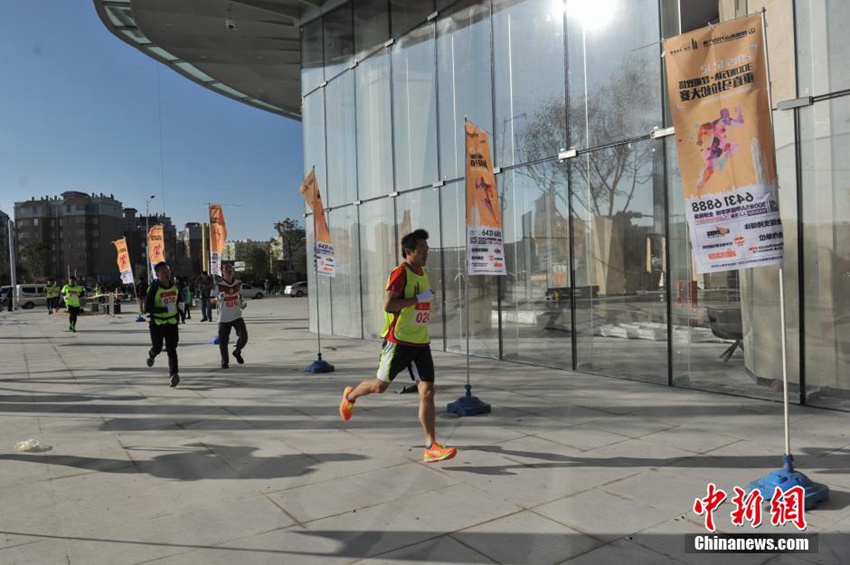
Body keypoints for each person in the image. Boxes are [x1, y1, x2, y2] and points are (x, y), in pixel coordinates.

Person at [338, 229, 456, 463]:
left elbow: (419, 306)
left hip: (421, 342)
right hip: (399, 341)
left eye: (427, 250)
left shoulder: (424, 274)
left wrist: (427, 302)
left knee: (428, 393)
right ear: (408, 252)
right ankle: (350, 396)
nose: (426, 254)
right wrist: (418, 299)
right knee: (380, 387)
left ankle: (430, 445)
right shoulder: (400, 273)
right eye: (421, 249)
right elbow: (389, 305)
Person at [145, 261, 181, 387]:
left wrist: (179, 312)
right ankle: (152, 354)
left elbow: (178, 301)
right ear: (157, 274)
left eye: (168, 271)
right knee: (158, 347)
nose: (167, 274)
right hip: (157, 323)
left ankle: (174, 374)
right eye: (163, 271)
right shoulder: (153, 288)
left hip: (172, 322)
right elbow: (147, 308)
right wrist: (164, 309)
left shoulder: (175, 286)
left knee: (172, 348)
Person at [211, 262, 248, 369]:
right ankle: (224, 362)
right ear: (222, 271)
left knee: (244, 337)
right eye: (226, 268)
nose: (228, 270)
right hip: (224, 318)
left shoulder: (238, 283)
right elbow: (211, 300)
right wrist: (218, 298)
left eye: (230, 268)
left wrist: (242, 303)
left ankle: (237, 351)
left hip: (237, 315)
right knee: (223, 342)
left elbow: (240, 296)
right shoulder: (218, 285)